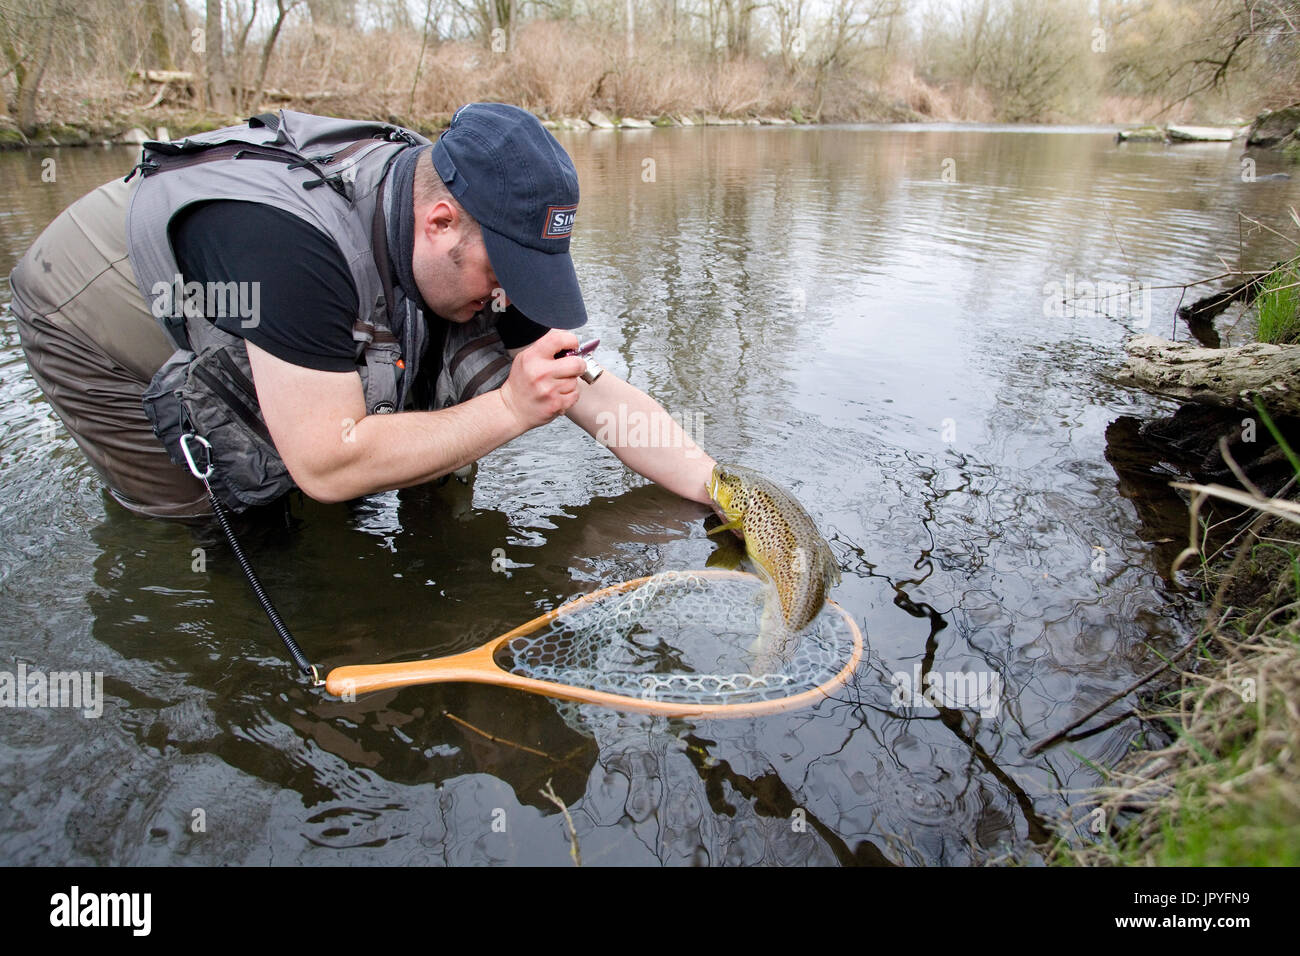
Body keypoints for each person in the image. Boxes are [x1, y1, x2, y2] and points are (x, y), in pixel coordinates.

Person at [9, 103, 715, 519]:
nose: (509, 297)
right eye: (505, 275)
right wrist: (506, 410)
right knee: (228, 517)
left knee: (404, 434)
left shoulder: (469, 228)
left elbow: (589, 391)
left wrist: (717, 487)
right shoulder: (288, 249)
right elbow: (325, 463)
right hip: (93, 306)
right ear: (439, 223)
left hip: (266, 289)